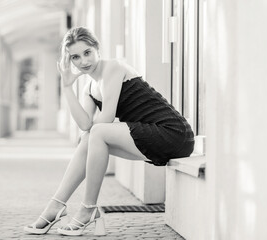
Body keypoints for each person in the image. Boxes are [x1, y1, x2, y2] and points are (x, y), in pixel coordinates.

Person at [24, 26, 194, 236]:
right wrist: (67, 87)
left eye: (87, 53)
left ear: (97, 49)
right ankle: (57, 204)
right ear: (70, 62)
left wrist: (89, 133)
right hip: (148, 137)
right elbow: (85, 125)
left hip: (173, 133)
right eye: (76, 57)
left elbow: (105, 120)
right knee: (89, 137)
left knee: (96, 133)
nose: (83, 61)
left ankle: (87, 209)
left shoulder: (112, 68)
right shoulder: (89, 88)